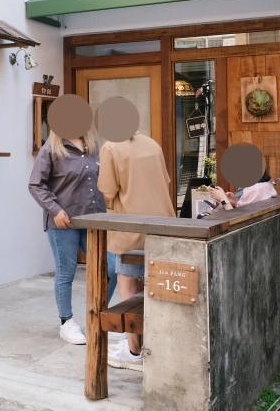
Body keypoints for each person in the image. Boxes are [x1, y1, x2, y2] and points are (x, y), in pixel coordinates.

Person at [98, 132, 175, 371]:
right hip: (162, 226)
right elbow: (167, 181)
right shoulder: (152, 143)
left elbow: (109, 194)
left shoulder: (111, 147)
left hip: (131, 228)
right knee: (150, 288)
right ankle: (149, 343)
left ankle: (134, 352)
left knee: (128, 286)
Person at [29, 128, 105, 345]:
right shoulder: (51, 149)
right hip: (64, 222)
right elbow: (35, 184)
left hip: (94, 219)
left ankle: (99, 316)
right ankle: (66, 322)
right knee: (66, 273)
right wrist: (55, 210)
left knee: (107, 268)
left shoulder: (93, 147)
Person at [208, 170, 277, 210]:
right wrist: (235, 202)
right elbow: (248, 208)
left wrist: (223, 199)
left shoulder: (256, 188)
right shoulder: (266, 184)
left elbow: (235, 220)